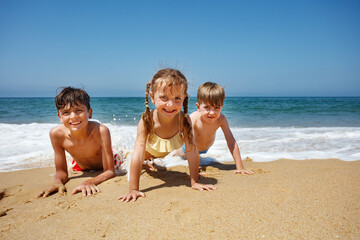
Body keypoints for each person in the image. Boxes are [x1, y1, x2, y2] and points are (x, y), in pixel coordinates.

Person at [118, 69, 217, 202]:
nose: (170, 105)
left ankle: (151, 163)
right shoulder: (147, 120)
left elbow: (192, 151)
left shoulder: (183, 120)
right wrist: (134, 190)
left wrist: (194, 181)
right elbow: (138, 154)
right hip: (145, 154)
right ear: (153, 97)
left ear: (184, 98)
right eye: (164, 98)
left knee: (154, 162)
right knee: (139, 159)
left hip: (164, 155)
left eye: (177, 98)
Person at [37, 87, 117, 197]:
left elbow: (110, 171)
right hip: (80, 167)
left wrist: (89, 182)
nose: (73, 117)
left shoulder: (100, 131)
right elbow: (62, 172)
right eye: (66, 112)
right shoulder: (56, 135)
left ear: (89, 113)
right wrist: (57, 182)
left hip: (113, 161)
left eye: (78, 111)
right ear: (60, 117)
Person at [175, 82, 254, 175]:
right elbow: (190, 146)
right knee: (176, 158)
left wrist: (240, 167)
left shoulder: (221, 119)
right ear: (198, 107)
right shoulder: (193, 119)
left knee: (200, 158)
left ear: (221, 107)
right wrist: (196, 172)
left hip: (205, 148)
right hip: (188, 147)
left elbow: (231, 142)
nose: (212, 112)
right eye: (207, 107)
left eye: (216, 107)